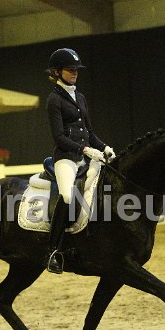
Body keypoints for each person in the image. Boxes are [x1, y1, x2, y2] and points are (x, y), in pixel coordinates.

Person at [44, 48, 116, 274]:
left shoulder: (81, 97)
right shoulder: (54, 99)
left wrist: (104, 147)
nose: (75, 72)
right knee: (67, 196)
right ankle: (53, 251)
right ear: (57, 72)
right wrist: (85, 149)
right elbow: (59, 137)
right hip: (66, 158)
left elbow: (89, 132)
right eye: (70, 69)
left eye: (76, 69)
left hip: (86, 156)